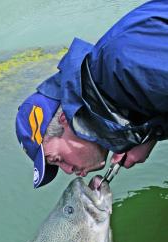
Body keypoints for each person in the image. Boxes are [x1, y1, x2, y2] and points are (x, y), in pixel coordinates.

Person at [15, 0, 167, 188]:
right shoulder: (115, 85)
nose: (69, 171)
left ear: (66, 119)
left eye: (57, 159)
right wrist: (149, 134)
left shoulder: (123, 67)